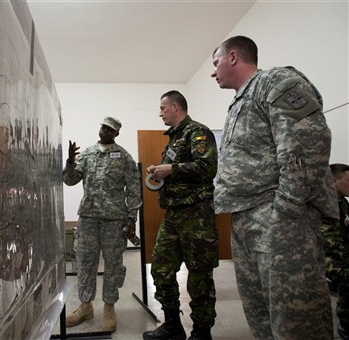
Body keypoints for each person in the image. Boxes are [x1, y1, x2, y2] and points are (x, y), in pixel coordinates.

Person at [210, 35, 339, 339]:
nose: (213, 72)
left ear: (232, 57)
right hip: (246, 218)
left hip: (279, 221)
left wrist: (288, 207)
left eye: (215, 63)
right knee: (261, 316)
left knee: (296, 319)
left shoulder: (276, 82)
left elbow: (308, 142)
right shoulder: (239, 102)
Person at [143, 90, 219, 340]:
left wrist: (170, 169)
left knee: (198, 276)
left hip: (196, 215)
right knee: (161, 269)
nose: (160, 112)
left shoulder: (198, 132)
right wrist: (161, 172)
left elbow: (207, 167)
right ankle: (173, 326)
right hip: (174, 215)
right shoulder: (174, 138)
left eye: (163, 108)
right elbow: (176, 172)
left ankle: (201, 332)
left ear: (176, 107)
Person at [63, 117, 142, 333]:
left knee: (113, 264)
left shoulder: (124, 157)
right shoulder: (87, 153)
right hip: (88, 218)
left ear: (116, 134)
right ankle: (86, 306)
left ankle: (109, 307)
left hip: (114, 220)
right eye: (103, 127)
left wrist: (131, 216)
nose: (105, 131)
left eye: (110, 129)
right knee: (85, 262)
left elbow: (134, 188)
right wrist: (70, 162)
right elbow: (70, 180)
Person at [321, 163, 349, 339]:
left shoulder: (341, 201)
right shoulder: (327, 203)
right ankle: (346, 326)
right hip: (326, 256)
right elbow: (329, 243)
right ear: (334, 181)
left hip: (340, 252)